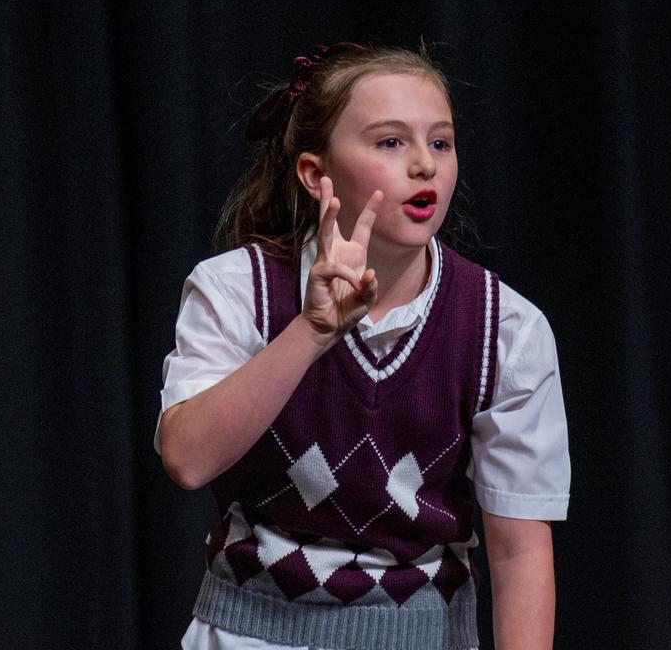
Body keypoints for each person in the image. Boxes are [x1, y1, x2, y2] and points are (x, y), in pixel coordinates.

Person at [155, 43, 570, 650]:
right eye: (390, 142)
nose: (425, 165)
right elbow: (187, 459)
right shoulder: (236, 290)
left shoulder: (504, 329)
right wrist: (313, 331)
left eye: (441, 142)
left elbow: (519, 552)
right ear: (316, 175)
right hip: (252, 636)